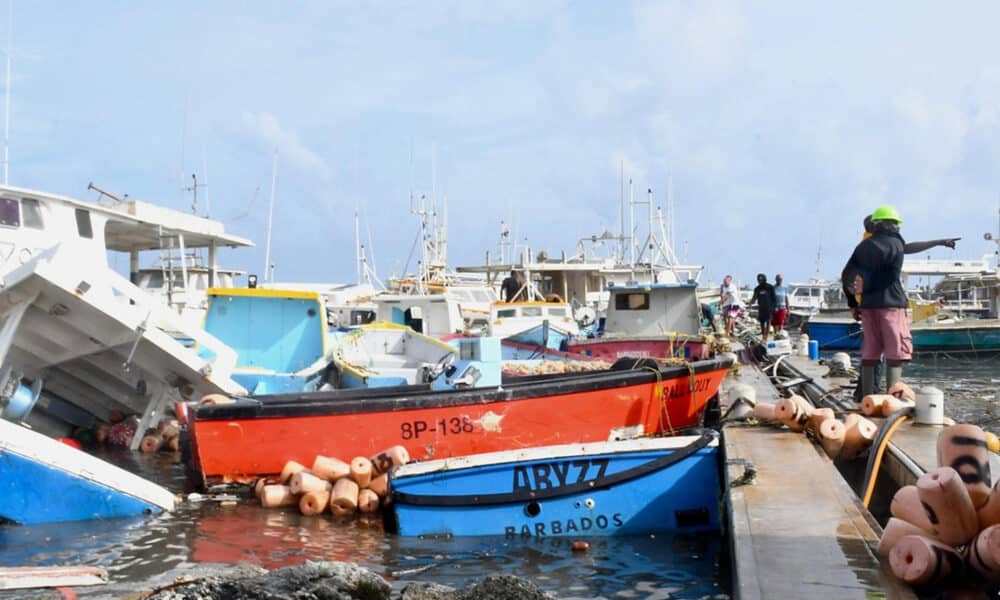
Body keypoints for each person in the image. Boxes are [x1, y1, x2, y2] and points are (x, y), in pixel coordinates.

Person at [847, 212, 959, 399]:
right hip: (891, 303)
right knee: (894, 353)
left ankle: (867, 397)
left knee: (870, 355)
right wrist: (939, 241)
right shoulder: (892, 242)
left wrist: (854, 302)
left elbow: (850, 276)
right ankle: (892, 398)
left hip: (868, 305)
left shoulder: (864, 245)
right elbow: (906, 248)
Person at [749, 273, 777, 341]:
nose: (759, 281)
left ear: (764, 279)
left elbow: (774, 298)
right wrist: (751, 302)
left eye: (761, 279)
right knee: (761, 322)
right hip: (761, 308)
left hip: (769, 308)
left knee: (768, 322)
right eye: (758, 279)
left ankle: (765, 337)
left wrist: (774, 307)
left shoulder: (770, 287)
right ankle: (763, 335)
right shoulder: (757, 289)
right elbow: (754, 297)